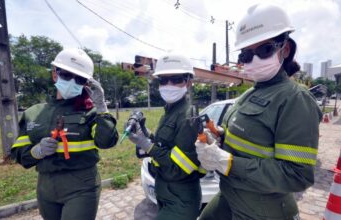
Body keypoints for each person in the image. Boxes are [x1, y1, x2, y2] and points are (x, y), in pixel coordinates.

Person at [196, 4, 322, 220]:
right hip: (230, 194)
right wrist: (217, 137)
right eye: (246, 54)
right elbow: (247, 139)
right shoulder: (247, 95)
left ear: (285, 49)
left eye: (263, 50)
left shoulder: (295, 100)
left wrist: (227, 163)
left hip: (263, 209)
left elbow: (297, 175)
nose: (253, 60)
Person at [11, 48, 119, 220]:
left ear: (86, 83)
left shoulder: (90, 112)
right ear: (55, 74)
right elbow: (18, 153)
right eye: (67, 75)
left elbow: (106, 142)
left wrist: (102, 108)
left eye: (80, 79)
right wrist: (36, 151)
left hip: (81, 185)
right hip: (46, 186)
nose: (72, 81)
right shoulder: (33, 112)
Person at [126, 53, 206, 220]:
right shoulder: (169, 111)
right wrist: (146, 134)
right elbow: (166, 145)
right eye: (163, 80)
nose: (169, 85)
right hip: (165, 194)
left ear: (188, 81)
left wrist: (148, 146)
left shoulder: (188, 116)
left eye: (176, 79)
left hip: (181, 200)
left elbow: (181, 169)